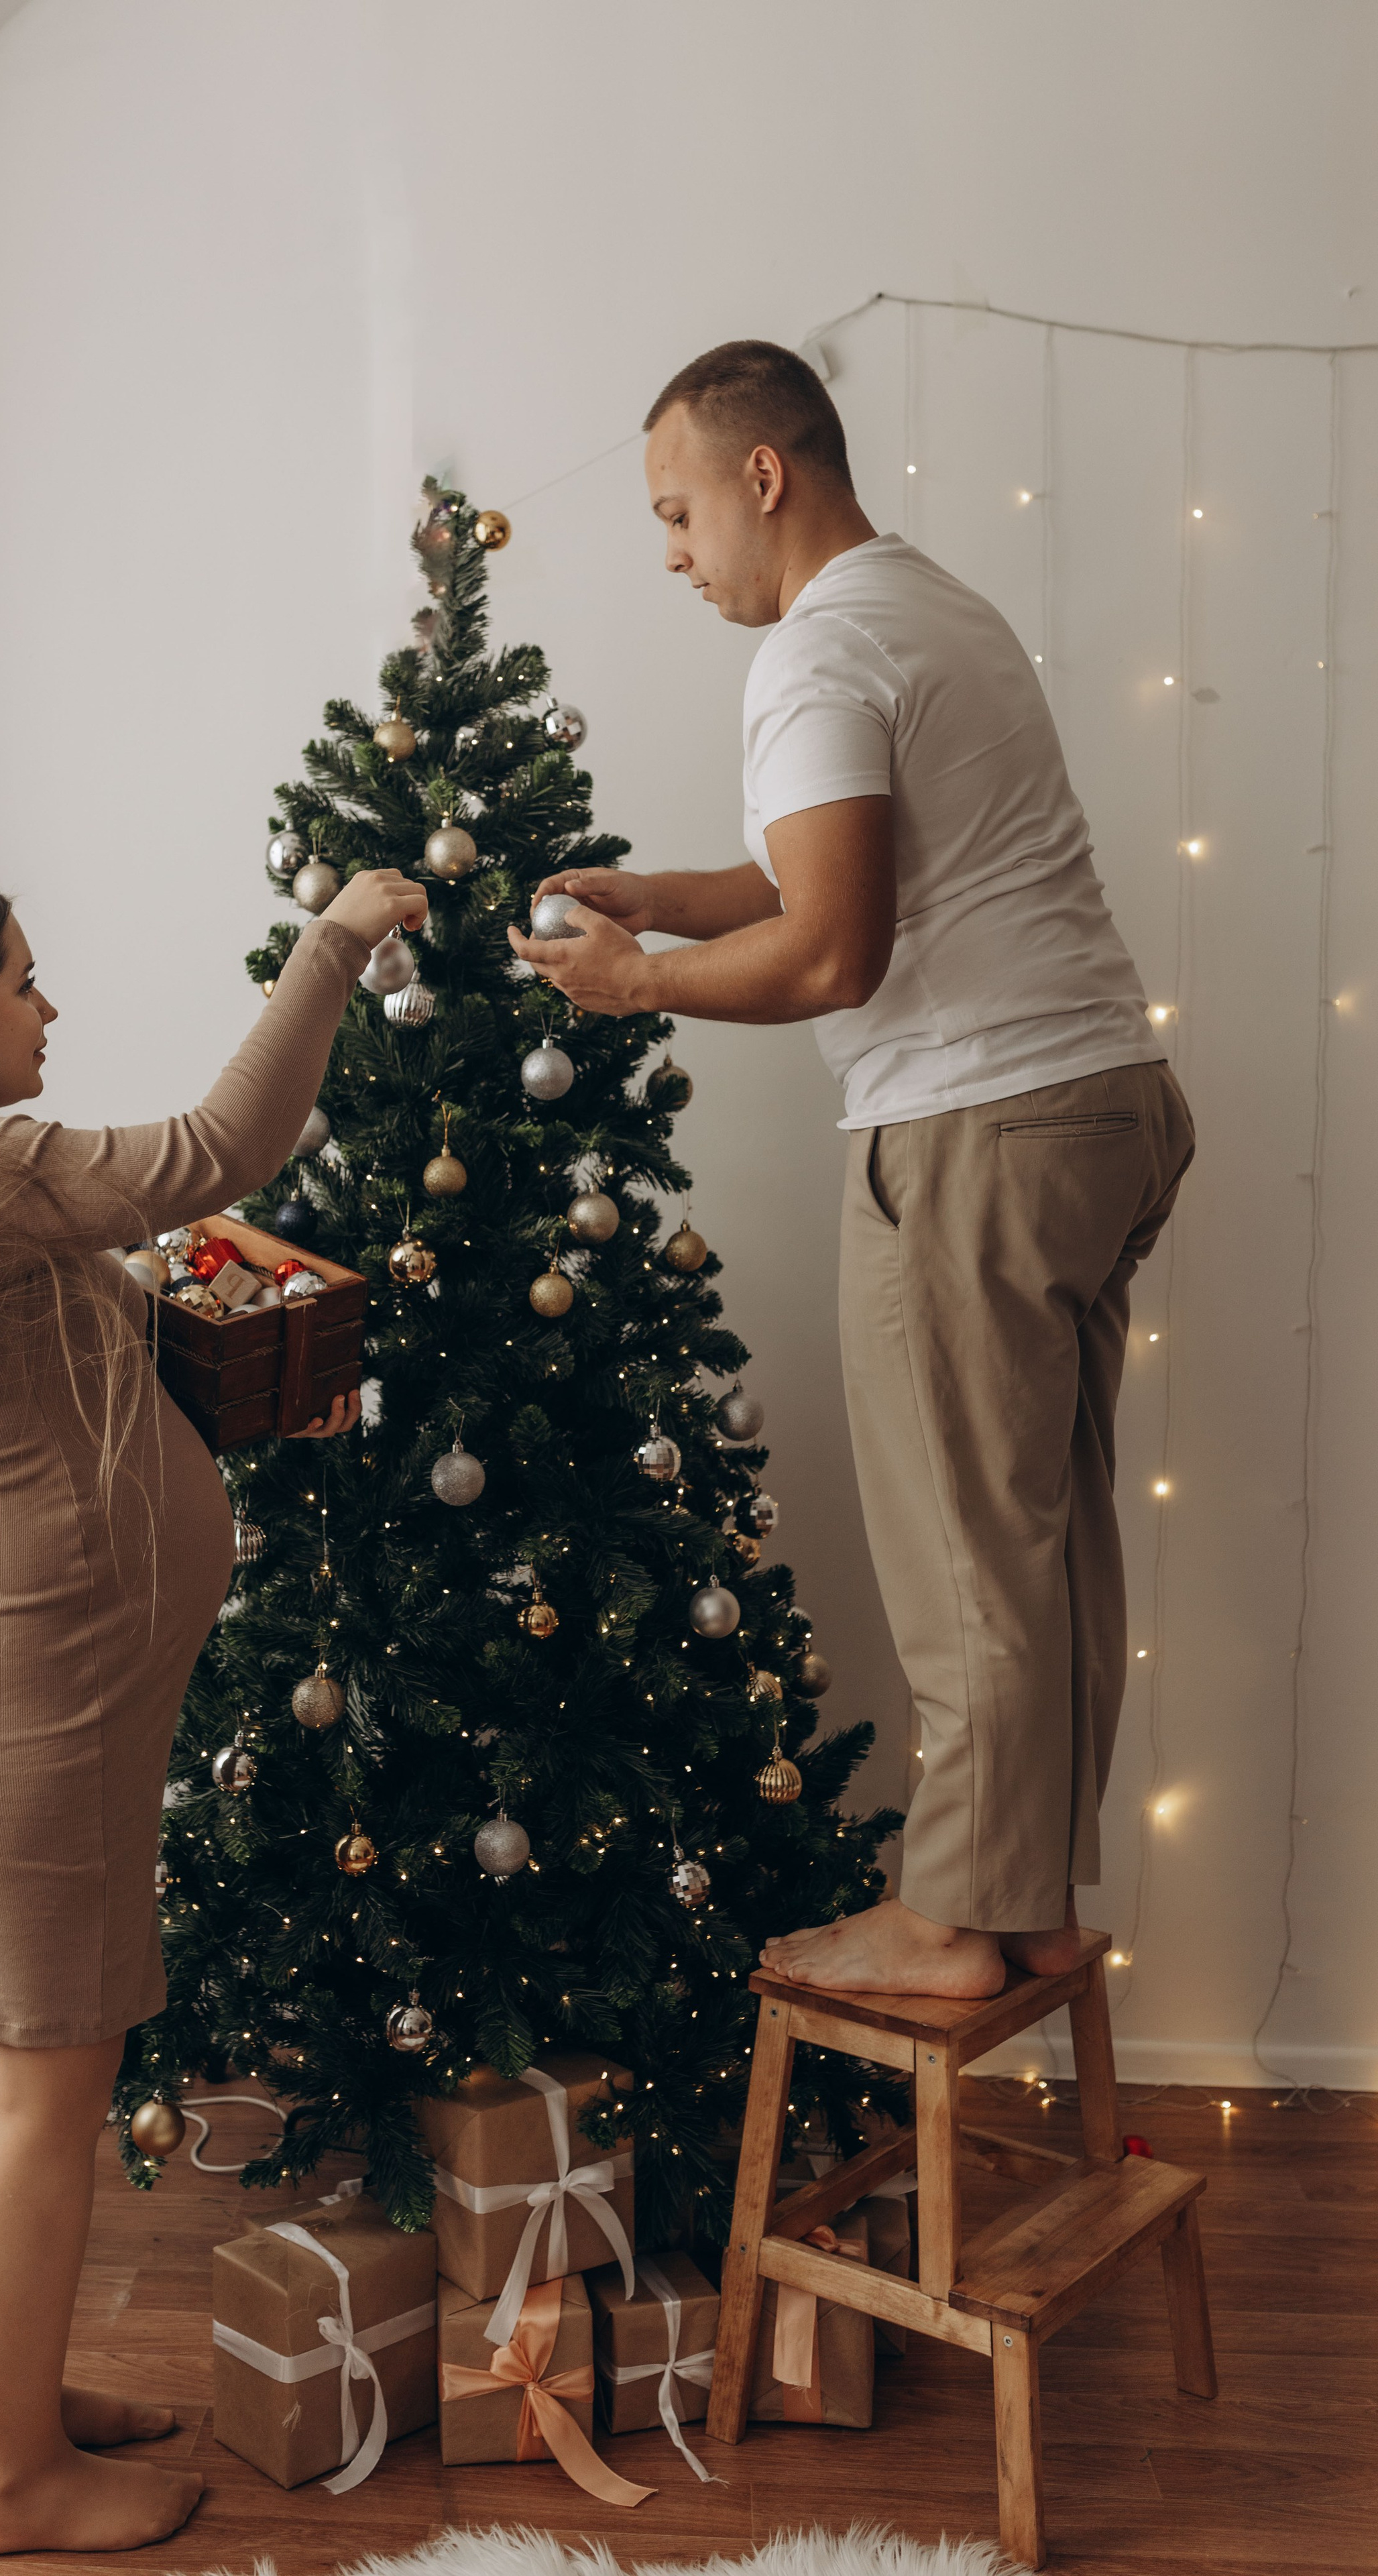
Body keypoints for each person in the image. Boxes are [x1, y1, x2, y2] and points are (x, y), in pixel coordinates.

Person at [512, 339, 1194, 2004]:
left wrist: (634, 981)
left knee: (962, 1551)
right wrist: (665, 899)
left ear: (763, 474)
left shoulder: (814, 650)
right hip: (1100, 1104)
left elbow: (831, 948)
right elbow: (830, 868)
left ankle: (950, 1920)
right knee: (1042, 1536)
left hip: (973, 1127)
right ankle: (1025, 1899)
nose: (671, 554)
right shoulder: (930, 605)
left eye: (676, 512)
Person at [0, 862, 422, 2554]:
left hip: (5, 1700)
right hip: (28, 1711)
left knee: (8, 2069)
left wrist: (251, 1361)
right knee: (52, 2090)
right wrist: (335, 941)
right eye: (19, 979)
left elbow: (98, 1343)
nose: (47, 1004)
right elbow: (220, 1148)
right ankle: (18, 2486)